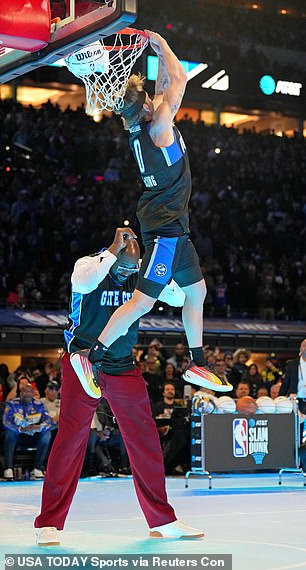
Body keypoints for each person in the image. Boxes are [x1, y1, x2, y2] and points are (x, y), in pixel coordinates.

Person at [77, 30, 232, 395]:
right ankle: (91, 356)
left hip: (171, 222)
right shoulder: (160, 129)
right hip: (166, 230)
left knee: (197, 292)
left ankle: (197, 363)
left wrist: (157, 55)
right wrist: (161, 43)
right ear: (147, 106)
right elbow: (177, 80)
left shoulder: (140, 126)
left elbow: (164, 83)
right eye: (150, 97)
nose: (155, 97)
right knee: (142, 301)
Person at [34, 228, 204, 546]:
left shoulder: (138, 274)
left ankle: (162, 521)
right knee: (70, 440)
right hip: (83, 361)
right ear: (111, 257)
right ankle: (49, 523)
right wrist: (113, 250)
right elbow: (82, 283)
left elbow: (180, 297)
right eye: (123, 267)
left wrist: (163, 265)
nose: (128, 272)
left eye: (132, 268)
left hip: (122, 363)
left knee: (145, 440)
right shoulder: (89, 266)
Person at [2, 381, 52, 480]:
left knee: (47, 434)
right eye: (25, 391)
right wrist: (20, 429)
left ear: (33, 394)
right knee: (9, 433)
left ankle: (37, 468)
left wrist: (38, 427)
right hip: (18, 437)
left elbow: (48, 421)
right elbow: (6, 422)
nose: (27, 394)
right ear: (20, 393)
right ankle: (8, 469)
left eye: (30, 391)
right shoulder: (12, 404)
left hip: (34, 437)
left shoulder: (39, 405)